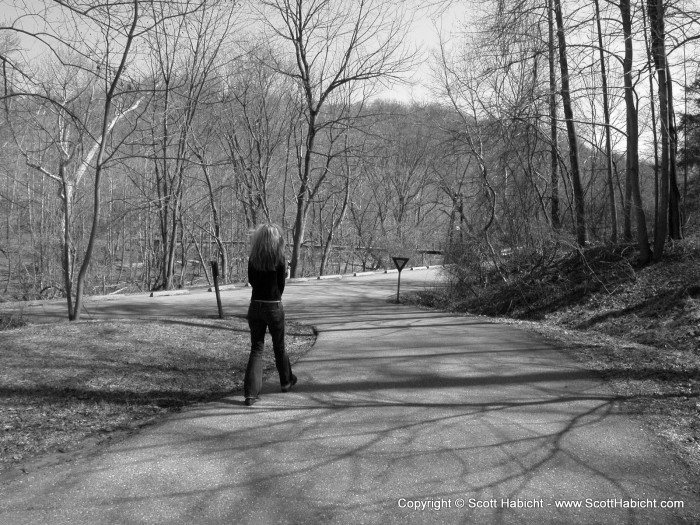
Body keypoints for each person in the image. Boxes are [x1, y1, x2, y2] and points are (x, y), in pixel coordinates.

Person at [243, 223, 297, 406]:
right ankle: (286, 381)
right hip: (274, 305)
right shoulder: (280, 259)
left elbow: (251, 280)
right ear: (276, 240)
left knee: (256, 348)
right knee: (279, 346)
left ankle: (250, 393)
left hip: (255, 305)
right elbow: (281, 285)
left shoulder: (253, 258)